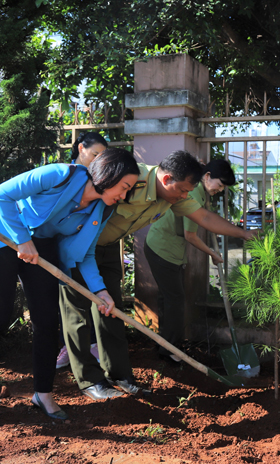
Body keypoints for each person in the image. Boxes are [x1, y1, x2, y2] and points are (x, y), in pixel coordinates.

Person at [0, 148, 140, 433]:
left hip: (41, 249)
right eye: (124, 187)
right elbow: (2, 194)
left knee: (48, 321)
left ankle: (43, 394)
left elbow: (85, 254)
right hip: (4, 238)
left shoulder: (101, 208)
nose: (124, 196)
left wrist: (101, 291)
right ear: (108, 175)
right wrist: (23, 239)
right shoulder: (60, 175)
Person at [60, 150, 259, 401]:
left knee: (111, 310)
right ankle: (89, 379)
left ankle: (119, 376)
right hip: (80, 243)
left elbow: (204, 216)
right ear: (167, 180)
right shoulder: (130, 178)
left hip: (107, 246)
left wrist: (243, 234)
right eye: (184, 190)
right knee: (76, 313)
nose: (186, 196)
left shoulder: (174, 194)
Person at [144, 159, 238, 363]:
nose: (219, 190)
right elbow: (191, 235)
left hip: (169, 249)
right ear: (207, 176)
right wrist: (212, 253)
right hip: (162, 248)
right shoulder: (194, 193)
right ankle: (171, 350)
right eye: (219, 185)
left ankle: (166, 345)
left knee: (169, 300)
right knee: (175, 300)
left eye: (223, 188)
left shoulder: (200, 192)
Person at [55, 132, 108, 370]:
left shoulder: (99, 191)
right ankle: (65, 346)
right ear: (80, 148)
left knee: (80, 298)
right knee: (60, 304)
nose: (97, 160)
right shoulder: (63, 176)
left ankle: (88, 344)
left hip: (78, 250)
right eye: (95, 154)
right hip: (50, 247)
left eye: (102, 157)